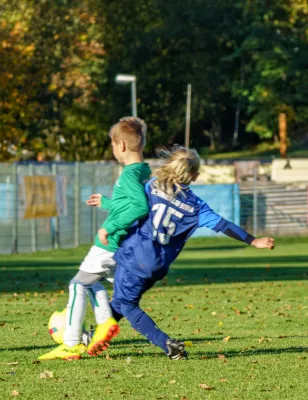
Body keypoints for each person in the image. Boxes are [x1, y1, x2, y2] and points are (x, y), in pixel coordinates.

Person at [109, 145, 274, 360]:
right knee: (121, 301)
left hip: (135, 254)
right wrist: (253, 240)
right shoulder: (196, 205)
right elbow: (223, 225)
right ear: (194, 175)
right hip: (158, 265)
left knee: (126, 303)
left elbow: (135, 206)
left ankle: (166, 343)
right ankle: (93, 338)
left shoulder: (152, 185)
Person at [39, 117, 151, 360]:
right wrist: (108, 203)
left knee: (77, 284)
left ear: (121, 145)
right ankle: (105, 322)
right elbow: (128, 204)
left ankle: (71, 344)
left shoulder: (130, 174)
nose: (112, 150)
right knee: (91, 283)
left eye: (112, 145)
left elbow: (140, 206)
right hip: (123, 245)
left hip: (109, 243)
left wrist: (111, 227)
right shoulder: (143, 170)